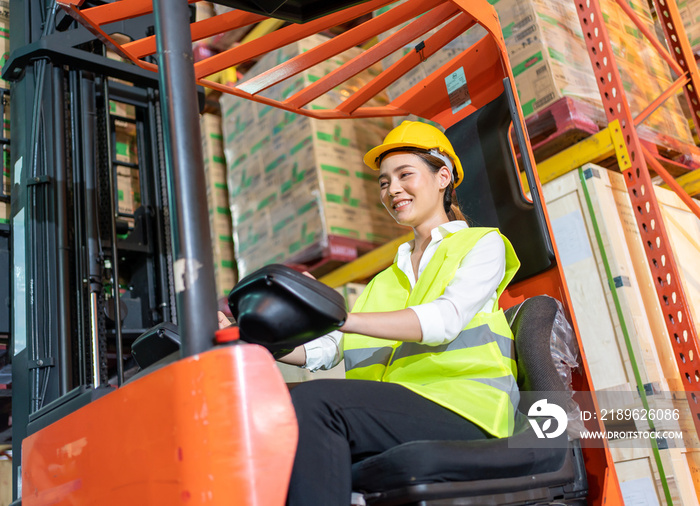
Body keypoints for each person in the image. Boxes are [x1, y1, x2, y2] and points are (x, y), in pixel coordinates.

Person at [219, 121, 521, 505]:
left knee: (317, 404)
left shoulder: (482, 245)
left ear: (443, 176)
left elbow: (444, 320)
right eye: (383, 182)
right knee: (272, 411)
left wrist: (344, 318)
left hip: (467, 406)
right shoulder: (384, 281)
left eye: (404, 175)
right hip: (403, 408)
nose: (392, 189)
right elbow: (324, 350)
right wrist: (251, 334)